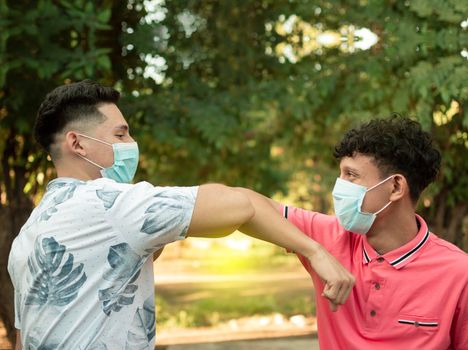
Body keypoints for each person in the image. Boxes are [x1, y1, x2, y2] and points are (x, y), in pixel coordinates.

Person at [7, 80, 354, 349]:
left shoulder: (31, 233)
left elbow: (25, 338)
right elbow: (242, 205)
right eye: (120, 134)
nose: (131, 143)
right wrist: (315, 251)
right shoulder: (112, 204)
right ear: (77, 143)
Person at [237, 116, 468, 349]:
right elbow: (241, 204)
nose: (339, 187)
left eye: (351, 175)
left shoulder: (460, 273)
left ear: (396, 187)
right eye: (341, 174)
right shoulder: (324, 237)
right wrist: (315, 252)